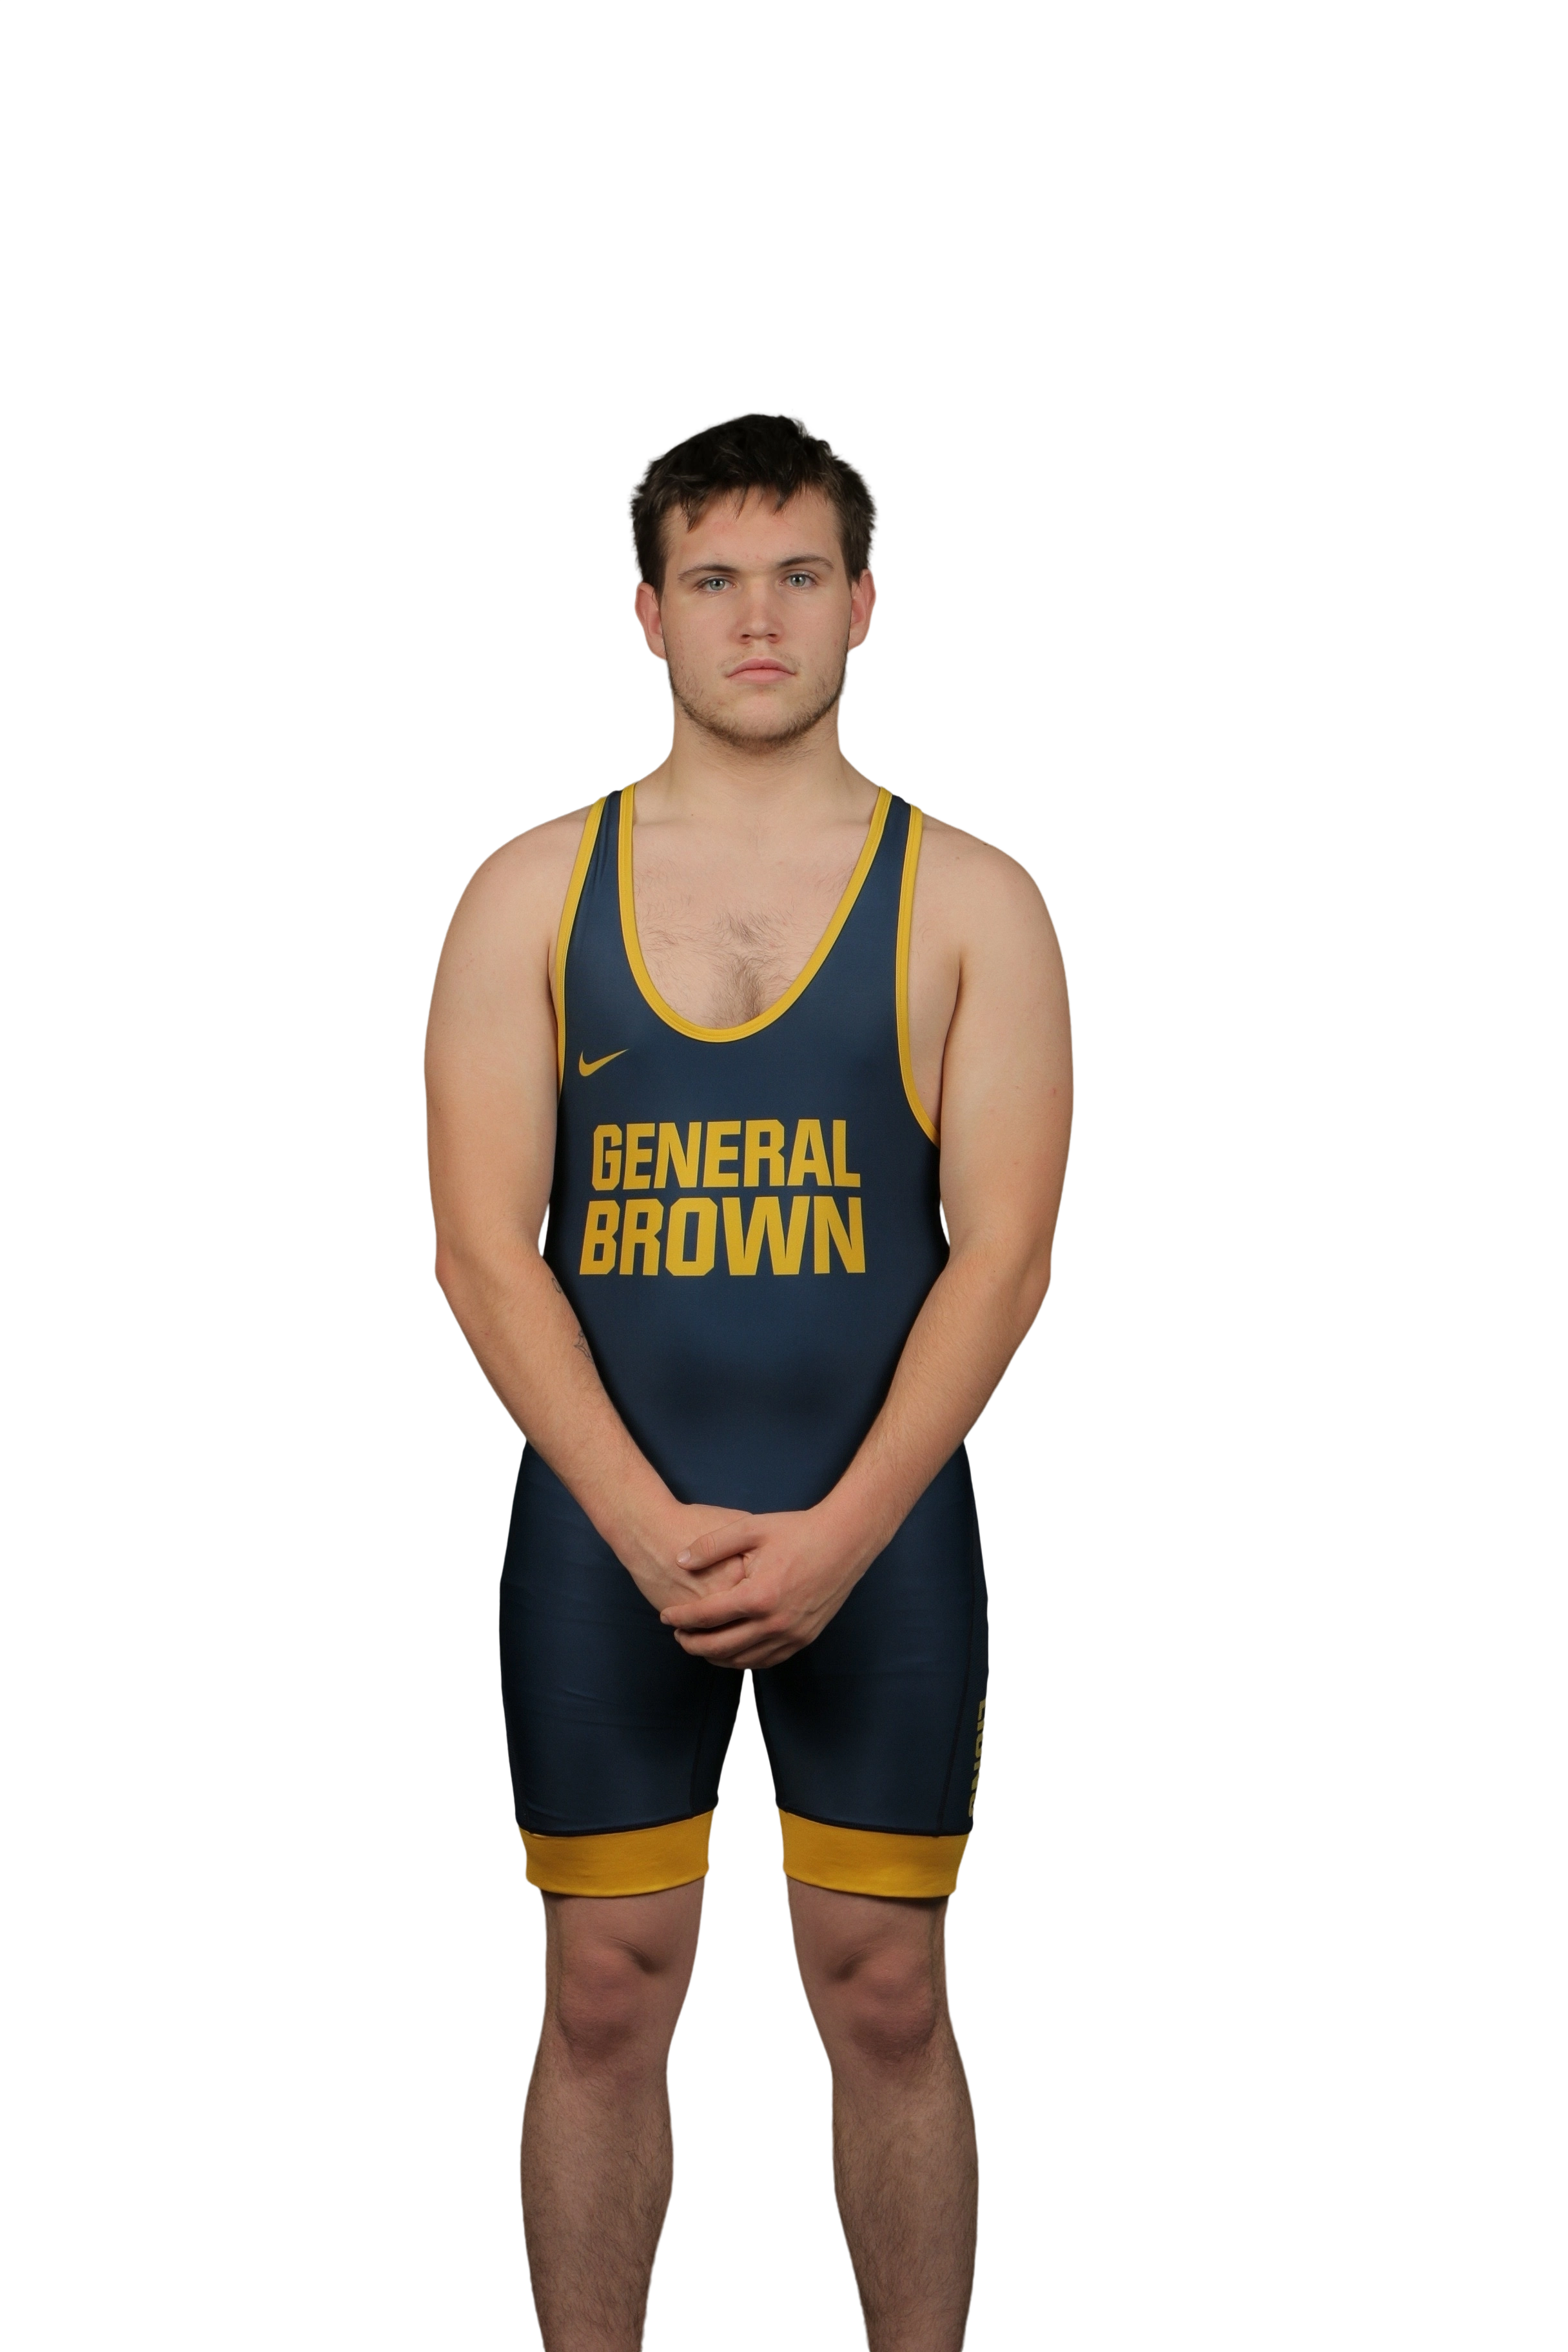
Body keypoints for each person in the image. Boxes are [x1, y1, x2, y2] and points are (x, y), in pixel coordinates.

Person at [422, 408, 1075, 2352]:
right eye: (713, 579)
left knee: (888, 1991)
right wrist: (642, 1527)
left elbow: (1005, 1257)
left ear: (866, 601)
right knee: (601, 1992)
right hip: (601, 1533)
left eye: (800, 574)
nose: (759, 617)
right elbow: (482, 1253)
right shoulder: (529, 890)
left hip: (880, 1530)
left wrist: (843, 1536)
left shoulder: (976, 898)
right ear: (648, 615)